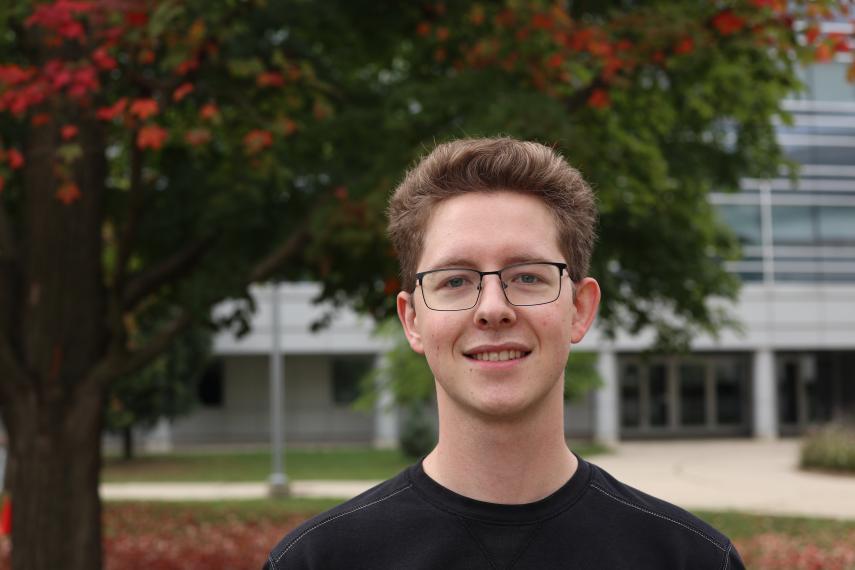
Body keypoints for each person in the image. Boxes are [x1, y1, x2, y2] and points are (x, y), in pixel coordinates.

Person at [263, 137, 745, 569]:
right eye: (455, 280)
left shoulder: (692, 559)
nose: (493, 309)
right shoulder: (317, 561)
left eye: (528, 276)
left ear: (580, 308)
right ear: (413, 319)